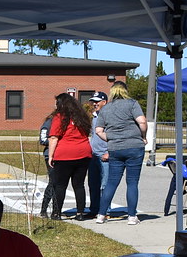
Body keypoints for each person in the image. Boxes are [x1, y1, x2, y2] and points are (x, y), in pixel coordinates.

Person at [94, 81, 147, 225]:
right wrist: (143, 136)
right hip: (134, 146)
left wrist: (111, 138)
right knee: (132, 182)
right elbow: (142, 122)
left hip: (115, 148)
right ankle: (132, 216)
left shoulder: (106, 108)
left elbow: (98, 130)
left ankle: (101, 215)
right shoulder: (132, 104)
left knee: (112, 182)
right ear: (125, 91)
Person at [46, 93, 93, 221]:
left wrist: (51, 156)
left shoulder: (60, 116)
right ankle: (80, 213)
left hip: (65, 154)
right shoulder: (82, 116)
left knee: (60, 185)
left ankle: (56, 213)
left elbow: (54, 137)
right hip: (83, 153)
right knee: (79, 185)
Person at [86, 91, 109, 219]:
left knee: (105, 185)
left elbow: (114, 136)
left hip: (105, 156)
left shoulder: (109, 117)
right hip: (93, 156)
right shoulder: (94, 117)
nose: (95, 104)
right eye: (93, 102)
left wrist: (109, 152)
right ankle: (94, 209)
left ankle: (105, 211)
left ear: (104, 102)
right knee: (93, 184)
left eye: (97, 102)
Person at [37, 107, 56, 218]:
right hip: (50, 156)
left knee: (59, 183)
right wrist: (54, 141)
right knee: (53, 182)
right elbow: (43, 140)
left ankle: (56, 210)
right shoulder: (49, 123)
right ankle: (44, 209)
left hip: (62, 156)